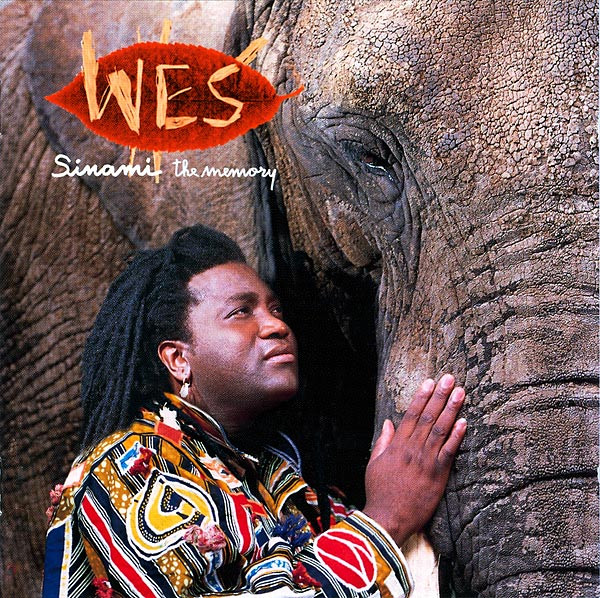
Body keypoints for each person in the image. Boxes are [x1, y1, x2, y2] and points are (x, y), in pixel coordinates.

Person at [42, 224, 466, 598]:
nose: (276, 325)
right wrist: (385, 519)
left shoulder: (279, 477)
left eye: (275, 309)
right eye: (241, 312)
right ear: (178, 359)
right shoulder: (125, 471)